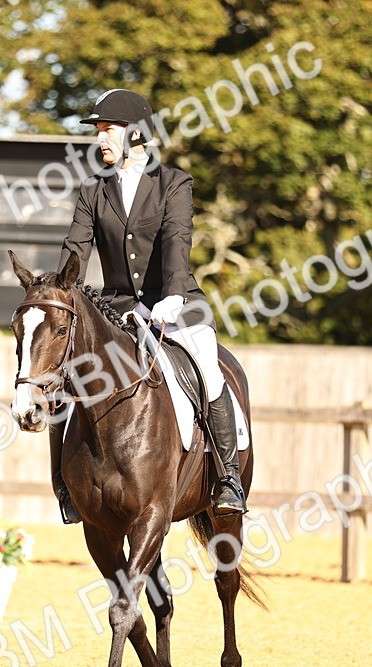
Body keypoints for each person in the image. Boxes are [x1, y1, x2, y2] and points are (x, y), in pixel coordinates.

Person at [48, 88, 246, 523]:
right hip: (118, 309)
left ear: (135, 134)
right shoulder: (92, 191)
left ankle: (228, 477)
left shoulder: (174, 183)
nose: (101, 138)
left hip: (177, 304)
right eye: (99, 130)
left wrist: (173, 294)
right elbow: (75, 248)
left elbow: (178, 239)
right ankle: (65, 486)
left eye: (109, 130)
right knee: (68, 379)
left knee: (210, 372)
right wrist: (58, 293)